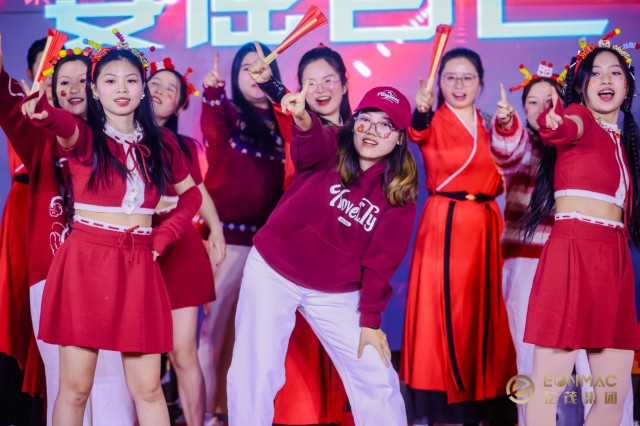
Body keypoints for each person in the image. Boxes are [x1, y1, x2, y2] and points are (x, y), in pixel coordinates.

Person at [22, 41, 202, 424]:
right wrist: (42, 111)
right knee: (75, 389)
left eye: (131, 80)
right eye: (110, 80)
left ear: (143, 88)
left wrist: (162, 237)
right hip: (86, 262)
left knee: (149, 390)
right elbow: (59, 124)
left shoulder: (162, 144)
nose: (121, 88)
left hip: (139, 265)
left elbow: (192, 197)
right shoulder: (85, 137)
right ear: (95, 88)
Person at [227, 84, 418, 426]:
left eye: (386, 125)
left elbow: (381, 263)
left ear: (400, 137)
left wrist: (370, 321)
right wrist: (301, 116)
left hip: (337, 291)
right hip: (274, 271)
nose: (372, 131)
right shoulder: (332, 144)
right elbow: (310, 139)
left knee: (376, 374)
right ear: (354, 122)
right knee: (255, 367)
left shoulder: (398, 193)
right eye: (366, 120)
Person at [0, 35, 137, 424]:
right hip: (52, 275)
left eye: (82, 80)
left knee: (112, 384)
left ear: (96, 88)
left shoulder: (118, 139)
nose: (74, 89)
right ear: (52, 90)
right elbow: (11, 110)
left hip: (109, 274)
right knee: (64, 383)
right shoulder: (39, 137)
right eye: (64, 82)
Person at [522, 33, 640, 426]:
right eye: (596, 73)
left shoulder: (624, 143)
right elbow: (561, 127)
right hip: (574, 254)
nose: (606, 79)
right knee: (547, 390)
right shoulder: (582, 119)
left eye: (615, 73)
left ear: (627, 86)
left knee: (613, 397)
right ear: (582, 87)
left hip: (615, 261)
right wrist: (552, 119)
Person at [400, 47, 516, 425]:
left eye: (468, 77)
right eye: (450, 77)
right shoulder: (432, 121)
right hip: (444, 223)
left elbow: (511, 154)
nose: (459, 84)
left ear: (481, 83)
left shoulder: (491, 123)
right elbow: (416, 131)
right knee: (444, 312)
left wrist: (507, 125)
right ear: (439, 83)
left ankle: (488, 399)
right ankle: (444, 402)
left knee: (487, 312)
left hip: (486, 224)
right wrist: (420, 109)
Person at [249, 44, 350, 425]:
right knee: (298, 351)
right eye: (310, 82)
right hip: (296, 258)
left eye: (329, 80)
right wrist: (271, 85)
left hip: (339, 258)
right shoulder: (299, 124)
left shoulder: (362, 134)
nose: (320, 89)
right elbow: (289, 109)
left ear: (345, 84)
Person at [196, 42, 285, 426]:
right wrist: (213, 95)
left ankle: (238, 413)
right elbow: (213, 127)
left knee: (251, 338)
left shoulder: (285, 119)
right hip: (227, 242)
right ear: (234, 75)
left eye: (262, 66)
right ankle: (205, 413)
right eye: (246, 67)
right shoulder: (229, 114)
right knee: (212, 334)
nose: (254, 73)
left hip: (269, 250)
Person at [148, 58, 226, 426]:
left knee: (183, 353)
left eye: (170, 89)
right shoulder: (112, 135)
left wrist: (217, 230)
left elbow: (197, 192)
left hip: (178, 248)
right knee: (137, 352)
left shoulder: (184, 146)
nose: (159, 92)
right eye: (154, 84)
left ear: (180, 106)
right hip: (134, 247)